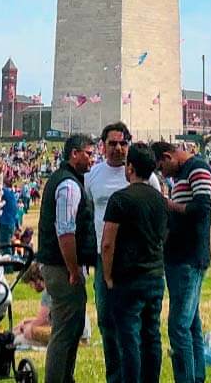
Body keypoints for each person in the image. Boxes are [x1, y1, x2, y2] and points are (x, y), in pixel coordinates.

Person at [100, 143, 168, 383]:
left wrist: (107, 276)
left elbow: (107, 242)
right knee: (152, 336)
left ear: (130, 168)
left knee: (129, 339)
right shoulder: (161, 200)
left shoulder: (120, 199)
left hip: (128, 278)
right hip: (155, 275)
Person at [36, 134, 96, 383]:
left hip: (59, 264)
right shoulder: (69, 185)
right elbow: (65, 231)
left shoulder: (66, 180)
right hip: (61, 267)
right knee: (64, 330)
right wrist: (73, 269)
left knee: (71, 329)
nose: (92, 159)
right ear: (74, 154)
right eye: (89, 154)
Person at [153, 141, 211, 383]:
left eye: (161, 167)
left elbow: (202, 208)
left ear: (169, 156)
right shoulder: (181, 176)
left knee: (178, 326)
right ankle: (197, 375)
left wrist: (168, 205)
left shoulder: (197, 169)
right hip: (179, 257)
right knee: (191, 324)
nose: (162, 173)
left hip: (189, 256)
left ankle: (187, 378)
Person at [85, 122, 133, 377]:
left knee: (131, 319)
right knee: (105, 318)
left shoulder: (139, 174)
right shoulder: (93, 176)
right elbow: (90, 209)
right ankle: (114, 375)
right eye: (112, 143)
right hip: (103, 257)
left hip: (132, 259)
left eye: (122, 143)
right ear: (103, 146)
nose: (118, 148)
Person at [0, 173, 24, 247]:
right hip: (11, 224)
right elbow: (16, 215)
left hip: (5, 223)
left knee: (3, 246)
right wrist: (18, 226)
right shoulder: (12, 196)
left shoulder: (5, 192)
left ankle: (8, 257)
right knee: (7, 245)